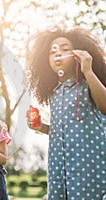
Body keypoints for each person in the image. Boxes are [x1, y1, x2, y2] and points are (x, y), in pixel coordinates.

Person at [25, 26, 106, 199]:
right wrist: (42, 127)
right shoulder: (54, 93)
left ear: (77, 54)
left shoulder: (87, 84)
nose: (57, 54)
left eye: (65, 49)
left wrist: (88, 70)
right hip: (59, 170)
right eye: (52, 51)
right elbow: (62, 130)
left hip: (88, 167)